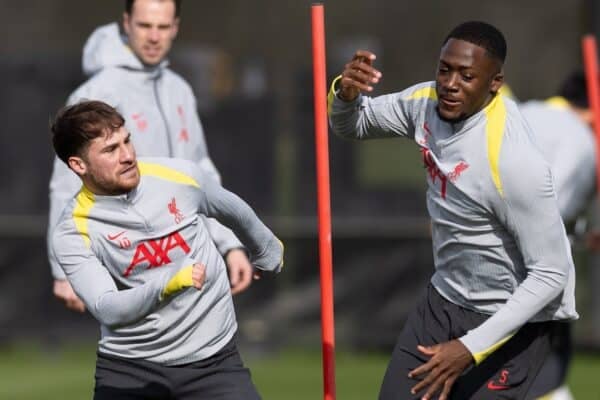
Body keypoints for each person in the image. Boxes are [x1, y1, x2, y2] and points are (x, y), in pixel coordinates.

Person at [328, 21, 577, 400]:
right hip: (442, 303)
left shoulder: (513, 160)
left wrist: (469, 348)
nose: (450, 83)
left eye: (467, 75)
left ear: (494, 83)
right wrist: (345, 96)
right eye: (445, 69)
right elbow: (353, 125)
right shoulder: (424, 103)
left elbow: (552, 272)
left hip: (508, 324)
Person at [50, 100, 283, 399]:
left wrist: (265, 250)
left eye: (127, 141)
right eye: (110, 150)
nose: (127, 156)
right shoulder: (72, 230)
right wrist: (170, 282)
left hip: (213, 363)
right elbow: (108, 308)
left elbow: (233, 210)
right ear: (78, 165)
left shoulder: (179, 177)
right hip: (129, 369)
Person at [49, 0, 254, 313]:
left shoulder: (179, 90)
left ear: (175, 28)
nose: (154, 36)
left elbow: (202, 175)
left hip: (187, 253)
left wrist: (229, 244)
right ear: (126, 23)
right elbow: (66, 182)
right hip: (129, 257)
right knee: (136, 351)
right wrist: (64, 271)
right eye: (145, 25)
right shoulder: (98, 92)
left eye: (162, 27)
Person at [518, 71, 595, 400]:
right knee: (545, 374)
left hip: (477, 259)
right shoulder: (581, 140)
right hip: (533, 266)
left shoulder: (521, 111)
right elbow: (548, 207)